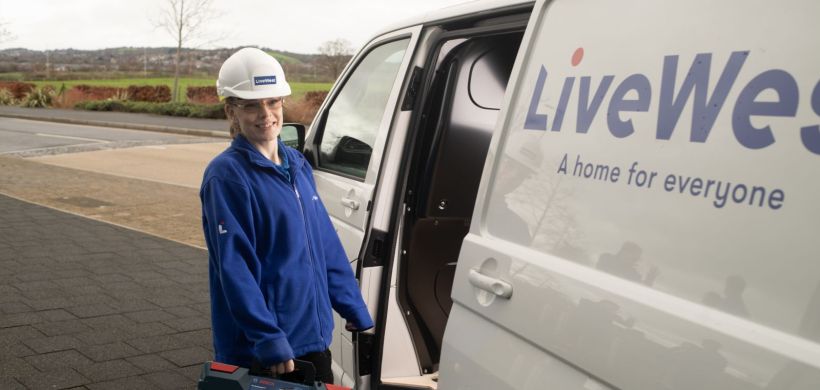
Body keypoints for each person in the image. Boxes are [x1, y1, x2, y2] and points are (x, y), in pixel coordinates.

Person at [200, 47, 373, 384]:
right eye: (251, 105)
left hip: (312, 338)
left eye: (272, 102)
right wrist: (268, 338)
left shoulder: (296, 164)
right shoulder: (227, 176)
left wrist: (352, 304)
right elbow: (235, 268)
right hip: (266, 351)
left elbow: (324, 243)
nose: (266, 114)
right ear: (231, 111)